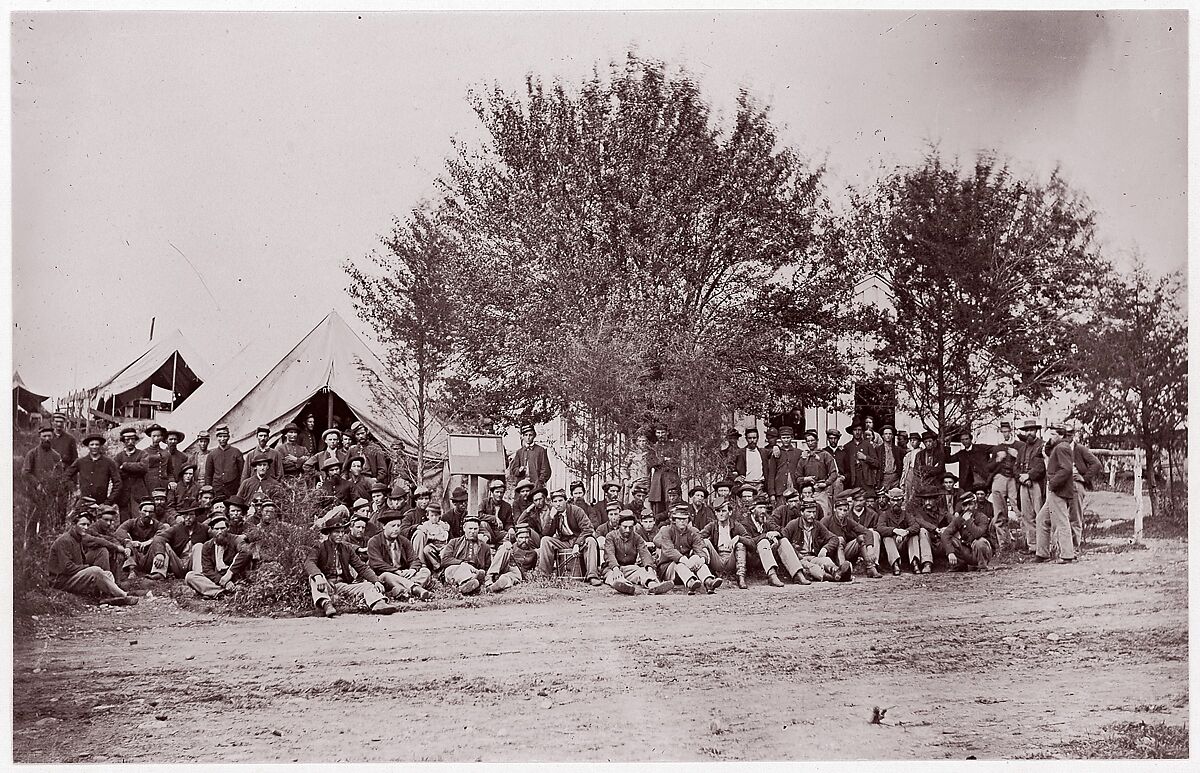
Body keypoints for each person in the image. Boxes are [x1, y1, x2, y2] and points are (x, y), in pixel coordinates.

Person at [303, 506, 398, 617]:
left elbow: (361, 567)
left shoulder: (346, 548)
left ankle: (378, 603)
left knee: (368, 585)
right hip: (326, 585)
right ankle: (326, 604)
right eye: (336, 532)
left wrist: (375, 580)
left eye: (342, 532)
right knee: (313, 578)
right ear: (329, 533)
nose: (340, 535)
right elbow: (309, 562)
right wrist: (318, 576)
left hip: (343, 585)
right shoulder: (320, 547)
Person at [49, 511, 137, 605]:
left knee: (107, 573)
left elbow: (101, 540)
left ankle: (106, 597)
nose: (86, 528)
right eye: (82, 524)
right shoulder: (65, 540)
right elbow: (67, 568)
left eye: (87, 525)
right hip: (61, 581)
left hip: (72, 577)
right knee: (95, 571)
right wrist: (88, 567)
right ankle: (124, 595)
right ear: (73, 525)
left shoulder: (77, 538)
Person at [534, 489, 602, 585]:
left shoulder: (576, 510)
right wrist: (550, 518)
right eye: (555, 501)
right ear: (552, 503)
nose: (558, 504)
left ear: (566, 501)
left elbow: (588, 529)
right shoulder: (554, 514)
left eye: (560, 500)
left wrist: (578, 544)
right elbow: (546, 534)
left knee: (591, 540)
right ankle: (544, 576)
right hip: (565, 542)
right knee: (545, 540)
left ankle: (593, 576)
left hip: (580, 539)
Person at [184, 512, 254, 598]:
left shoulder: (236, 539)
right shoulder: (207, 546)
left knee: (243, 582)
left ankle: (212, 592)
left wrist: (229, 574)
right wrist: (222, 581)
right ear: (212, 530)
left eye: (222, 528)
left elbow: (246, 552)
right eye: (217, 529)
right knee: (190, 576)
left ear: (228, 528)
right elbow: (207, 570)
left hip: (234, 576)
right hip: (217, 579)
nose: (220, 532)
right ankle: (221, 592)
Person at [1035, 424, 1078, 564]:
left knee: (1061, 521)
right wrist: (1050, 441)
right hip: (1055, 489)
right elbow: (1044, 452)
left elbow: (1066, 470)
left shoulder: (1062, 448)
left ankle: (1067, 555)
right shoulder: (1057, 447)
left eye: (1053, 434)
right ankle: (1042, 554)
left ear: (1060, 435)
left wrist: (1053, 483)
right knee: (1042, 518)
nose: (1050, 437)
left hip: (1058, 490)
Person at [366, 510, 433, 600]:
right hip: (386, 576)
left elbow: (415, 559)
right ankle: (415, 589)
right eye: (393, 526)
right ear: (384, 526)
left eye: (398, 526)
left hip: (403, 574)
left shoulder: (403, 541)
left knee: (425, 571)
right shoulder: (374, 541)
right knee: (387, 575)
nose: (396, 529)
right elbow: (377, 563)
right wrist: (396, 572)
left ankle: (403, 590)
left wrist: (412, 570)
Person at [603, 510, 674, 595]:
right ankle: (624, 586)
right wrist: (615, 568)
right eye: (624, 527)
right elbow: (610, 554)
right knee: (613, 577)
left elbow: (644, 553)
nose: (628, 530)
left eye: (630, 527)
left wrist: (650, 568)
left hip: (630, 568)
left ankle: (653, 585)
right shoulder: (610, 536)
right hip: (612, 568)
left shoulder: (637, 538)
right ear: (619, 526)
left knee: (643, 572)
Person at [654, 504, 720, 594]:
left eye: (685, 519)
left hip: (689, 567)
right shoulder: (666, 531)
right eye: (679, 519)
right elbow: (669, 550)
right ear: (674, 520)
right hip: (669, 568)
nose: (682, 522)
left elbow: (700, 547)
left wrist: (701, 560)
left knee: (697, 561)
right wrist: (685, 561)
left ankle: (708, 581)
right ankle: (690, 584)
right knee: (679, 564)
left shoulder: (693, 531)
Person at [781, 501, 848, 582]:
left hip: (813, 557)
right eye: (809, 512)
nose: (812, 515)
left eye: (814, 512)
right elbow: (783, 541)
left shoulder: (817, 525)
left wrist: (825, 549)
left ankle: (838, 571)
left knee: (826, 560)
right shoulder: (793, 524)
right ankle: (835, 577)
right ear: (802, 512)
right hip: (798, 559)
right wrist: (795, 553)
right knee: (814, 569)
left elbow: (834, 538)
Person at [822, 490, 883, 579]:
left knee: (861, 538)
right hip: (830, 552)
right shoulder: (826, 521)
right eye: (840, 509)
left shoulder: (848, 521)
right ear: (835, 509)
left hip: (844, 550)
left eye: (845, 510)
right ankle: (843, 570)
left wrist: (870, 547)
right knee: (839, 539)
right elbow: (819, 539)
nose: (842, 513)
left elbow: (867, 532)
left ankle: (870, 567)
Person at [1065, 424, 1102, 553]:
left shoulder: (1079, 449)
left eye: (1070, 435)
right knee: (1062, 515)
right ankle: (1063, 546)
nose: (1067, 437)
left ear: (1073, 436)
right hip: (1062, 484)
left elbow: (1096, 464)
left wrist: (1084, 478)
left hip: (1076, 484)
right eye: (1065, 435)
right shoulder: (1059, 448)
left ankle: (1075, 546)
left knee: (1075, 516)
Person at [114, 498, 170, 578]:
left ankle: (158, 573)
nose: (147, 514)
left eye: (150, 512)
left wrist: (150, 541)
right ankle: (132, 570)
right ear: (139, 511)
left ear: (154, 513)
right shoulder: (132, 522)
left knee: (164, 544)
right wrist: (130, 542)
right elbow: (119, 531)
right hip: (135, 557)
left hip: (150, 558)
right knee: (126, 544)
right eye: (145, 511)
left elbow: (164, 533)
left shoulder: (157, 524)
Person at [986, 422, 1024, 540]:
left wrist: (1017, 455)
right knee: (999, 512)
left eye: (1007, 431)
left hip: (1014, 479)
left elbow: (1025, 462)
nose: (1005, 434)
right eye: (1003, 431)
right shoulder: (997, 448)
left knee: (1019, 508)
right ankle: (1004, 543)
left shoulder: (1020, 445)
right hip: (1000, 478)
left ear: (1011, 431)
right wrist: (997, 459)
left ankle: (1026, 542)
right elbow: (989, 467)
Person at [699, 500, 750, 589]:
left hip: (732, 558)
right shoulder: (712, 526)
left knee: (741, 545)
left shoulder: (736, 525)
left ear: (730, 512)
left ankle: (741, 577)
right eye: (718, 511)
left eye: (724, 511)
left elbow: (750, 541)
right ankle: (708, 576)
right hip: (717, 558)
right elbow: (698, 537)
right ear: (715, 513)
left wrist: (738, 538)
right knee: (705, 542)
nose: (721, 514)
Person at [151, 504, 210, 579]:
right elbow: (159, 537)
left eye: (191, 514)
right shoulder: (176, 528)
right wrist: (160, 553)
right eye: (185, 515)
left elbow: (214, 539)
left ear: (196, 515)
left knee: (199, 546)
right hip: (178, 563)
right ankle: (159, 573)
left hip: (193, 564)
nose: (188, 518)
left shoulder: (204, 529)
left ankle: (199, 576)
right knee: (165, 546)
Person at [483, 519, 542, 593]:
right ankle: (489, 577)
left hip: (517, 573)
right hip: (505, 567)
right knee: (505, 546)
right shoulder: (511, 547)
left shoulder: (533, 553)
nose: (524, 540)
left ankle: (497, 585)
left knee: (509, 576)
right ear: (516, 538)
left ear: (529, 538)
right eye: (521, 538)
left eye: (526, 538)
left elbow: (533, 569)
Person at [437, 515, 492, 595]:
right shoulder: (454, 542)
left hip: (474, 570)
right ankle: (469, 583)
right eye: (470, 528)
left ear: (479, 529)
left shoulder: (485, 547)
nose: (472, 531)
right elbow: (445, 560)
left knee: (480, 572)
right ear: (464, 528)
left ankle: (466, 586)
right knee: (452, 570)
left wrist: (479, 571)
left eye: (475, 529)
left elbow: (487, 566)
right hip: (456, 569)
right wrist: (463, 564)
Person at [941, 491, 997, 571]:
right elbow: (945, 534)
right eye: (965, 505)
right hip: (968, 550)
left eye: (970, 504)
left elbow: (978, 534)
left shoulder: (982, 517)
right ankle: (960, 565)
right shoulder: (959, 519)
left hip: (983, 551)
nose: (967, 508)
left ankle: (982, 566)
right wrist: (950, 552)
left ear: (975, 505)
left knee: (979, 542)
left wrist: (968, 521)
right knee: (950, 540)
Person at [1015, 421, 1046, 554]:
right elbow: (1015, 467)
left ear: (1036, 431)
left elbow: (1042, 467)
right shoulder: (1022, 449)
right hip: (1023, 484)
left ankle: (1043, 546)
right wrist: (1021, 477)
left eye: (1031, 430)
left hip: (1036, 484)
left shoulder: (1042, 446)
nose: (1029, 433)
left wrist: (1029, 476)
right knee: (1026, 515)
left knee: (1039, 514)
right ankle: (1032, 546)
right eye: (1027, 430)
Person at [68, 433, 121, 506]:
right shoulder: (80, 462)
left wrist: (108, 502)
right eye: (92, 444)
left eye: (97, 444)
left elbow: (117, 483)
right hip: (83, 503)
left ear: (100, 446)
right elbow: (66, 476)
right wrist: (74, 491)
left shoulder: (109, 462)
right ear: (88, 446)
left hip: (101, 504)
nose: (94, 447)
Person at [902, 484, 945, 573]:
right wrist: (935, 529)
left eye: (930, 499)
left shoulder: (942, 512)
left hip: (941, 542)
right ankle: (927, 563)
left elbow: (954, 522)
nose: (927, 502)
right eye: (925, 500)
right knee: (922, 531)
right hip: (926, 543)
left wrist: (946, 528)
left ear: (936, 500)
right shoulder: (918, 513)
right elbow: (920, 522)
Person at [82, 505, 131, 575]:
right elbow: (101, 540)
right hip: (83, 562)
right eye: (106, 520)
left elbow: (118, 539)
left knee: (117, 553)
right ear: (98, 519)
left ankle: (115, 582)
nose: (108, 523)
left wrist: (128, 547)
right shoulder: (90, 529)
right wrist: (117, 547)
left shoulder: (106, 530)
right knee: (103, 550)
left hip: (97, 562)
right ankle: (104, 580)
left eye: (111, 521)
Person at [798, 429, 839, 514]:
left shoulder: (825, 455)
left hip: (821, 491)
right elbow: (797, 477)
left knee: (824, 514)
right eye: (808, 441)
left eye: (812, 440)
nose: (810, 443)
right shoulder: (803, 457)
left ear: (817, 441)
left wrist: (826, 483)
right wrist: (806, 479)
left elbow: (834, 473)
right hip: (807, 493)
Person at [875, 488, 911, 575]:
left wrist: (905, 532)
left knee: (915, 536)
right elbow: (879, 527)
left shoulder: (906, 514)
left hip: (904, 543)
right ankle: (895, 564)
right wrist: (895, 530)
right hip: (889, 546)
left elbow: (915, 525)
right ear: (889, 501)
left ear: (902, 501)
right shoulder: (884, 514)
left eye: (898, 500)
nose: (895, 503)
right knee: (887, 537)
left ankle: (915, 562)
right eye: (893, 500)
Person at [204, 425, 244, 500]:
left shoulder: (236, 452)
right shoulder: (212, 454)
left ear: (228, 437)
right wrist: (209, 489)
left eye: (224, 436)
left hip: (232, 488)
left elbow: (242, 472)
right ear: (217, 438)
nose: (222, 439)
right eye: (220, 436)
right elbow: (208, 475)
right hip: (217, 488)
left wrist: (240, 488)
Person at [507, 424, 551, 490]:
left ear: (534, 436)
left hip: (535, 485)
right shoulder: (519, 452)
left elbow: (546, 470)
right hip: (522, 485)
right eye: (526, 435)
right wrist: (519, 470)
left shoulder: (541, 450)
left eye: (530, 435)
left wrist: (539, 482)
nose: (528, 437)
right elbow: (513, 469)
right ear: (522, 436)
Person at [767, 426, 803, 507]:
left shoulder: (798, 452)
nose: (786, 440)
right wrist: (772, 493)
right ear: (780, 438)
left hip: (794, 487)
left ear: (792, 438)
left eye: (788, 437)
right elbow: (771, 474)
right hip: (780, 490)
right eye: (783, 438)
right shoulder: (776, 453)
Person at [841, 422, 882, 491]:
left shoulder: (868, 445)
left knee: (869, 500)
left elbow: (876, 463)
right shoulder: (847, 447)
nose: (857, 432)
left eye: (859, 430)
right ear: (852, 432)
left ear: (862, 431)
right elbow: (844, 467)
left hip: (867, 481)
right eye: (855, 430)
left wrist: (865, 458)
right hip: (853, 481)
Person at [412, 502, 451, 571]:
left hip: (442, 544)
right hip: (433, 544)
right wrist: (432, 536)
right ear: (428, 516)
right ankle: (436, 565)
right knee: (426, 550)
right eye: (432, 516)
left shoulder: (442, 524)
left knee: (444, 552)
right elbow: (425, 533)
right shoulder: (426, 525)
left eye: (436, 515)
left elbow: (446, 534)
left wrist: (444, 532)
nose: (434, 518)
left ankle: (444, 567)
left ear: (439, 516)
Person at [734, 427, 770, 494]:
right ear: (746, 439)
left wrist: (776, 447)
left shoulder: (763, 452)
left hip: (760, 486)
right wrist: (735, 477)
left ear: (758, 438)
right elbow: (729, 467)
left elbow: (774, 452)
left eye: (754, 438)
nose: (752, 440)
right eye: (749, 438)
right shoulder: (740, 453)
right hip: (745, 485)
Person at [878, 425, 904, 492]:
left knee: (895, 496)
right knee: (883, 498)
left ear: (892, 436)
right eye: (886, 434)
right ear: (882, 436)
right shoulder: (878, 449)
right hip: (884, 477)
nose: (888, 436)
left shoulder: (898, 450)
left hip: (895, 477)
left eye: (890, 434)